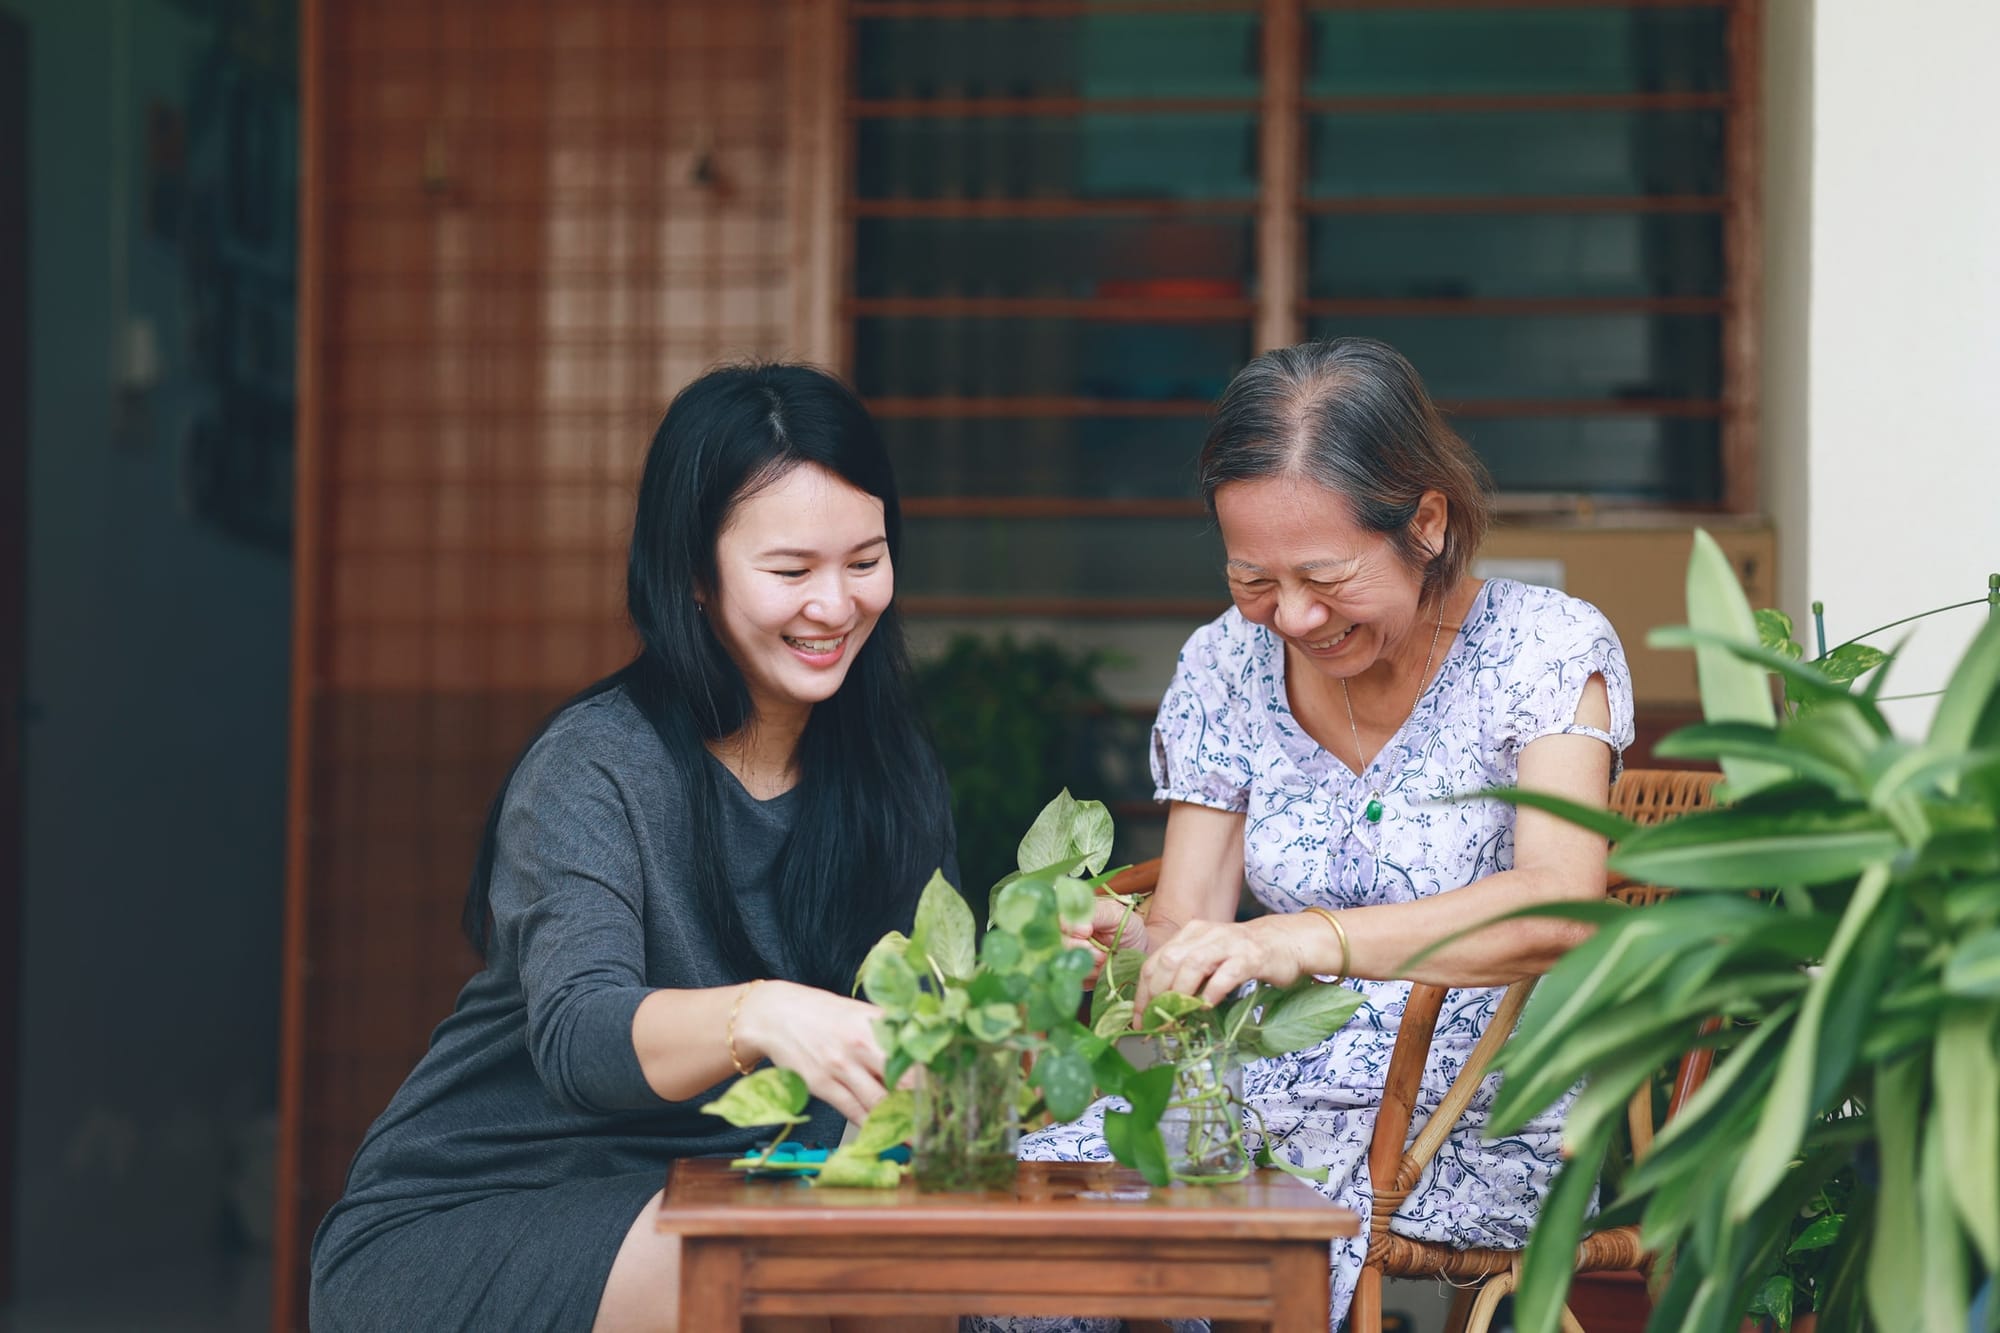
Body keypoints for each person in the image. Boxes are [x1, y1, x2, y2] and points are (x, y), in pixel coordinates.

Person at [970, 337, 1633, 1333]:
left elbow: (1554, 903)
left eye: (1323, 576)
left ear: (1424, 521)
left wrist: (1298, 936)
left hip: (1469, 1112)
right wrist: (1133, 948)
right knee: (1027, 1204)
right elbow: (1190, 923)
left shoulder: (1541, 647)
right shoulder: (1222, 664)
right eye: (1252, 579)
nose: (1290, 615)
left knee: (1248, 1224)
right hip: (1251, 1095)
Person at [310, 364, 958, 1333]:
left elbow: (908, 1063)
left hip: (727, 1197)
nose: (833, 604)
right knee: (791, 1270)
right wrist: (764, 1013)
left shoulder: (888, 775)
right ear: (693, 574)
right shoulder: (596, 763)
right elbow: (581, 1037)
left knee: (898, 1264)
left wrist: (1039, 992)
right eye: (789, 571)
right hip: (482, 1214)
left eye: (863, 562)